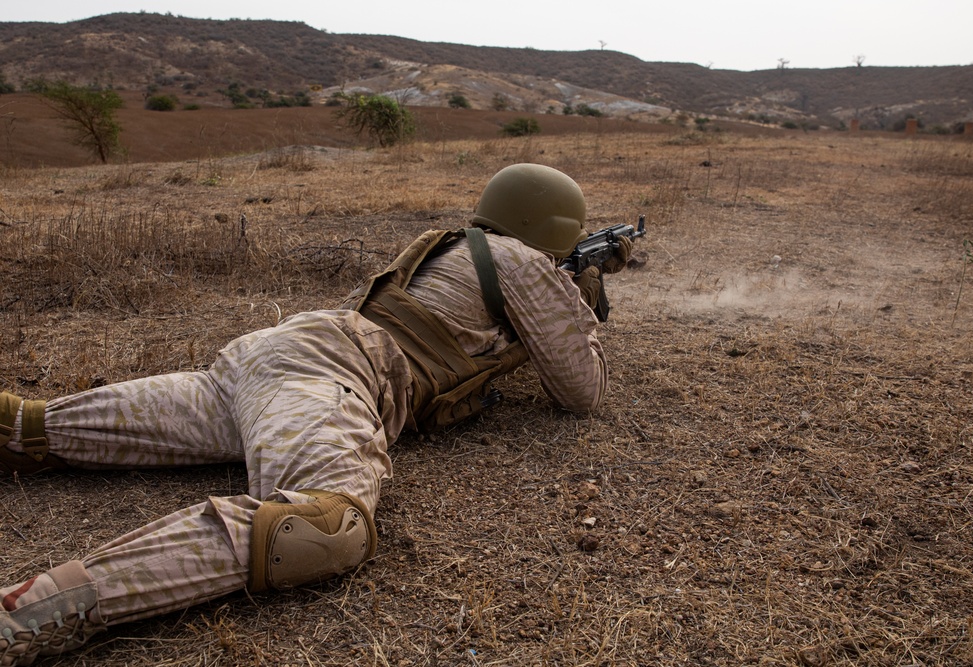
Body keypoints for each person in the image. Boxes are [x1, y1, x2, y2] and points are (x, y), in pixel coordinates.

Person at [0, 163, 633, 665]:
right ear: (555, 231)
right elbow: (581, 391)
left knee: (30, 426)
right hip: (330, 374)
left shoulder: (451, 247)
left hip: (268, 360)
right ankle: (30, 615)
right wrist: (580, 297)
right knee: (325, 526)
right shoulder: (525, 263)